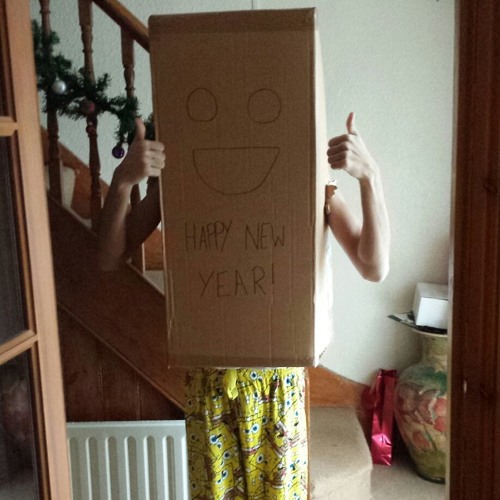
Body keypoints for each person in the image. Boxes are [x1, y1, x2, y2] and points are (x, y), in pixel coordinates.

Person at [98, 111, 390, 499]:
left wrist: (370, 177)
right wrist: (122, 182)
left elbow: (374, 266)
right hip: (210, 382)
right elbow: (108, 257)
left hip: (278, 382)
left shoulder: (304, 174)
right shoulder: (184, 173)